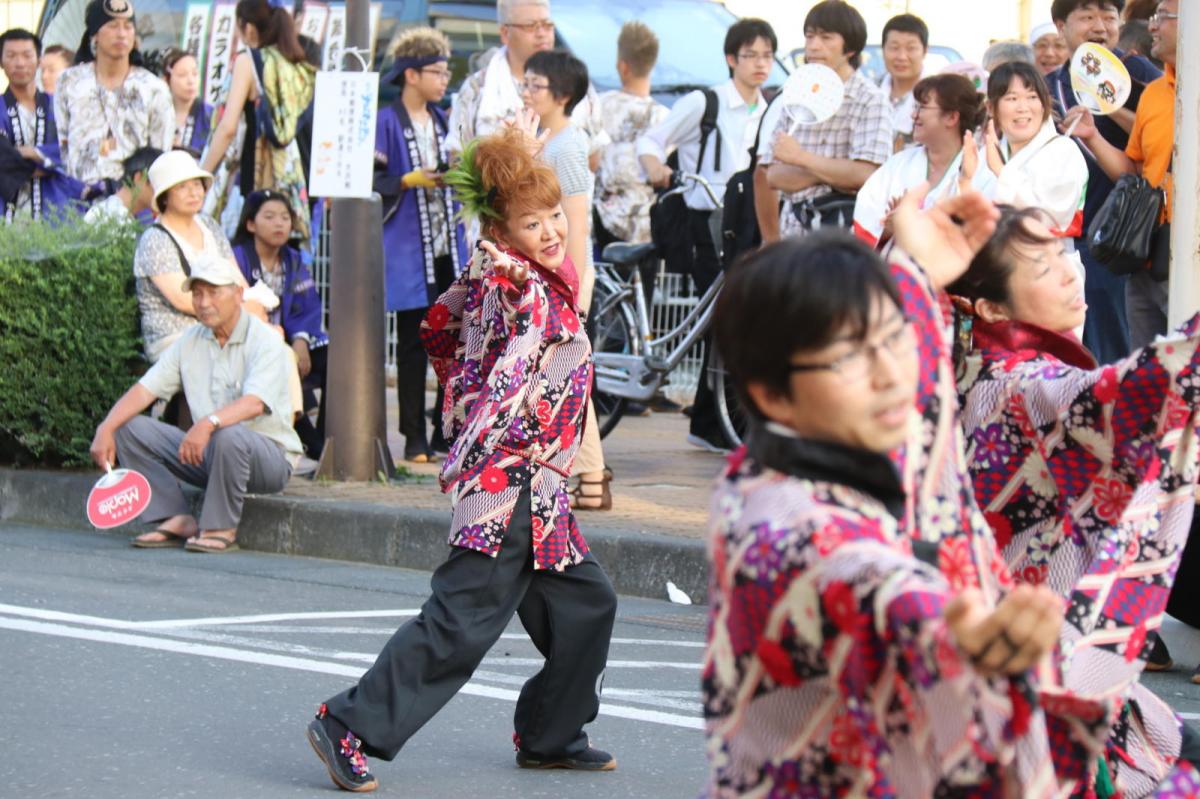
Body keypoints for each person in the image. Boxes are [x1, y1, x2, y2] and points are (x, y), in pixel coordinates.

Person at [704, 191, 1103, 796]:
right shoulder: (779, 524)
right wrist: (953, 634)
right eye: (852, 358)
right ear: (769, 393)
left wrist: (914, 265)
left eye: (897, 343)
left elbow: (907, 348)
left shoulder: (833, 433)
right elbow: (866, 579)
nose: (894, 374)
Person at [305, 128, 617, 793]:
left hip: (542, 485)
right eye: (533, 222)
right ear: (504, 226)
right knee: (460, 623)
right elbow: (499, 355)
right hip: (508, 483)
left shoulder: (509, 272)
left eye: (555, 215)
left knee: (588, 604)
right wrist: (486, 423)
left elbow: (441, 329)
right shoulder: (513, 282)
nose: (552, 230)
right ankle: (348, 724)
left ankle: (551, 733)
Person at [949, 205, 1200, 796]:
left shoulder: (972, 371)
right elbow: (1143, 391)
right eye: (1041, 265)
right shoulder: (1022, 384)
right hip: (1047, 676)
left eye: (1063, 251)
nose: (1069, 271)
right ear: (990, 308)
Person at [89, 255, 301, 554]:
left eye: (214, 292)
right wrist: (106, 427)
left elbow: (254, 404)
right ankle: (174, 517)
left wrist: (207, 423)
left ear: (238, 294)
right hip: (211, 452)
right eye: (198, 293)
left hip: (268, 459)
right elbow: (145, 390)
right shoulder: (191, 339)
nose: (203, 302)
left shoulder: (265, 340)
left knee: (229, 434)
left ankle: (220, 527)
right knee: (129, 429)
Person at [637, 17, 775, 454]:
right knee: (727, 315)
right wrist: (656, 167)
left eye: (767, 56)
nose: (760, 64)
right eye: (751, 55)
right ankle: (717, 425)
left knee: (731, 317)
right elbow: (652, 141)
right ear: (731, 58)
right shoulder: (705, 103)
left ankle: (711, 422)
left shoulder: (769, 108)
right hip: (705, 222)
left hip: (745, 222)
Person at [521, 49, 611, 510]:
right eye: (526, 83)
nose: (527, 92)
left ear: (563, 95)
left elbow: (576, 218)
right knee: (560, 374)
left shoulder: (568, 145)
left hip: (566, 272)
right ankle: (586, 477)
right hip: (550, 271)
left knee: (565, 373)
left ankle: (591, 478)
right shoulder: (547, 140)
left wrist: (572, 289)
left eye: (535, 86)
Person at [1048, 0, 1161, 364]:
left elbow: (1161, 132)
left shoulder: (1139, 72)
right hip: (1065, 235)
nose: (1099, 26)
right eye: (1087, 17)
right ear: (1061, 25)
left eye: (1108, 17)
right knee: (1074, 345)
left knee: (1117, 345)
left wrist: (1108, 102)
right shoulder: (1050, 85)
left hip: (1121, 235)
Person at [374, 26, 468, 463]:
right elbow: (370, 182)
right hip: (409, 250)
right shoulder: (386, 121)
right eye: (436, 71)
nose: (444, 79)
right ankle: (411, 433)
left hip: (447, 245)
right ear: (410, 74)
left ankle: (442, 429)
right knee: (413, 342)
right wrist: (408, 180)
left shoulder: (445, 119)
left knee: (451, 339)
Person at [764, 0, 892, 240]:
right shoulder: (795, 94)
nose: (813, 46)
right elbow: (774, 176)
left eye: (825, 38)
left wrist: (801, 159)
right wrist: (836, 172)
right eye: (809, 37)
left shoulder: (870, 100)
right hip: (792, 233)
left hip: (844, 238)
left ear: (850, 48)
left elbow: (867, 176)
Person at [201, 0, 316, 245]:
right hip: (290, 189)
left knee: (247, 270)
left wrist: (202, 175)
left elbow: (228, 127)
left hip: (255, 185)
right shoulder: (295, 65)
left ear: (249, 28)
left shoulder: (248, 60)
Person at [231, 190, 327, 459]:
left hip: (290, 338)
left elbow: (309, 306)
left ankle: (328, 438)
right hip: (250, 340)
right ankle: (310, 443)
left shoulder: (294, 260)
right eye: (270, 217)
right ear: (250, 224)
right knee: (281, 358)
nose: (279, 224)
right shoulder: (237, 258)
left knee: (333, 358)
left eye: (285, 218)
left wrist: (301, 339)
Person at [133, 150, 251, 364]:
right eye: (182, 187)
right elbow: (186, 300)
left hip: (222, 325)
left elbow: (237, 281)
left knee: (276, 349)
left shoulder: (210, 226)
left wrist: (253, 311)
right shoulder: (154, 238)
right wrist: (237, 317)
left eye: (197, 184)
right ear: (165, 196)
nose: (194, 193)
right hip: (176, 338)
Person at [853, 73, 996, 247]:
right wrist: (888, 229)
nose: (914, 115)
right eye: (915, 107)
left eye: (922, 108)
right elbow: (865, 218)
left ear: (952, 117)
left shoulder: (983, 168)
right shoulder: (898, 164)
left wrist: (911, 223)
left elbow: (986, 232)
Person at [54, 0, 173, 186]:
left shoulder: (153, 88)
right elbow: (61, 143)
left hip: (132, 199)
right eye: (112, 26)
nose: (121, 34)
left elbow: (161, 153)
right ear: (94, 35)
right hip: (76, 197)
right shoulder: (69, 82)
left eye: (128, 26)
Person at [982, 62, 1087, 256]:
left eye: (1032, 97)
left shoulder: (1063, 151)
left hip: (1049, 270)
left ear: (1044, 103)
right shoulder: (985, 154)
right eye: (1012, 98)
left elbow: (1052, 218)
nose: (1023, 108)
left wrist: (1001, 172)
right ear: (991, 107)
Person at [591, 20, 667, 248]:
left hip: (603, 223)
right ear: (652, 64)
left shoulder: (598, 105)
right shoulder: (664, 117)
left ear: (622, 66)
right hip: (649, 227)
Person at [0, 28, 86, 222]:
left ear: (38, 60)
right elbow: (2, 161)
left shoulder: (63, 106)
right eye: (11, 56)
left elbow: (81, 150)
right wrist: (53, 164)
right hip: (8, 222)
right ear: (1, 62)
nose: (20, 63)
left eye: (27, 55)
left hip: (59, 214)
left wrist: (34, 152)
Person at [879, 13, 929, 151]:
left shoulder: (936, 96)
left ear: (925, 51)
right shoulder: (870, 91)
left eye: (911, 48)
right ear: (882, 50)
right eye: (894, 48)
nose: (901, 57)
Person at [82, 144, 160, 224]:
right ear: (139, 178)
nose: (163, 191)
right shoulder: (110, 217)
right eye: (159, 183)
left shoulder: (118, 213)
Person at [161, 48, 211, 156]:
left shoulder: (210, 115)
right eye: (182, 75)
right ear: (166, 80)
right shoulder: (158, 114)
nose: (191, 81)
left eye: (195, 74)